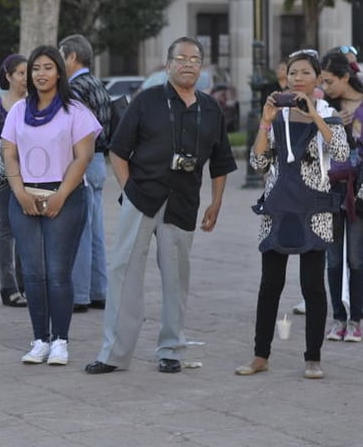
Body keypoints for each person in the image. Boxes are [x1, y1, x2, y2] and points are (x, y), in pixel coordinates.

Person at [85, 36, 237, 375]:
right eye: (180, 58)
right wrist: (128, 191)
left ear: (201, 66)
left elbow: (222, 162)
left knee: (176, 278)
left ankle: (171, 349)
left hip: (183, 202)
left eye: (194, 59)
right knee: (123, 272)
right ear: (168, 64)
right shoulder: (148, 101)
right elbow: (118, 150)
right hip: (143, 197)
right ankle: (114, 354)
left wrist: (216, 203)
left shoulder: (210, 108)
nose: (187, 64)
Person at [235, 49, 348, 379]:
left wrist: (313, 115)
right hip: (278, 211)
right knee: (270, 285)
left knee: (312, 287)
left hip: (314, 212)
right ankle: (260, 355)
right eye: (292, 73)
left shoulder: (328, 115)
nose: (297, 78)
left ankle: (313, 357)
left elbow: (340, 152)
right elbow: (258, 164)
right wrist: (264, 123)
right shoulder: (277, 117)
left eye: (305, 73)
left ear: (317, 80)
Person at [2, 46, 100, 366]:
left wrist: (60, 195)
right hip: (24, 198)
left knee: (58, 272)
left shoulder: (75, 111)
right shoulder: (18, 111)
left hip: (65, 198)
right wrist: (19, 193)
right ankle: (39, 340)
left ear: (59, 71)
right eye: (35, 69)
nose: (40, 74)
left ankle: (60, 340)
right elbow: (9, 154)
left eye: (47, 67)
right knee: (32, 273)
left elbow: (83, 157)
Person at [59, 33, 111, 313]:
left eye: (60, 55)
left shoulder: (75, 88)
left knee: (79, 229)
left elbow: (71, 129)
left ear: (72, 57)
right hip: (99, 160)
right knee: (95, 230)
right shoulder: (98, 84)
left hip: (81, 161)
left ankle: (79, 295)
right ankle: (98, 291)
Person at [318, 51, 363, 342]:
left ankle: (357, 319)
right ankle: (338, 318)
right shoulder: (324, 107)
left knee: (357, 259)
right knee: (332, 261)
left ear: (346, 77)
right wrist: (332, 123)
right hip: (329, 189)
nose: (325, 86)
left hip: (357, 191)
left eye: (329, 80)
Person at [0, 53, 28, 307]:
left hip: (32, 173)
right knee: (7, 227)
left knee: (28, 227)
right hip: (3, 174)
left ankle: (26, 283)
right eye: (20, 73)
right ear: (8, 76)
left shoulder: (34, 104)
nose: (25, 78)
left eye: (27, 73)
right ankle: (8, 286)